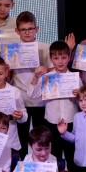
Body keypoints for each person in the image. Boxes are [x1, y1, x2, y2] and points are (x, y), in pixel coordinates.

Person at [31, 39, 81, 163]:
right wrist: (36, 76)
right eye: (56, 58)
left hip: (70, 122)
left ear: (69, 57)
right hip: (51, 123)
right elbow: (32, 94)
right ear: (51, 59)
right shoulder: (46, 78)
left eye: (63, 58)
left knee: (71, 157)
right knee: (53, 158)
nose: (60, 61)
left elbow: (83, 102)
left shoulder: (75, 78)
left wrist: (79, 95)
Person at [10, 11, 52, 156]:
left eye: (30, 29)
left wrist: (46, 70)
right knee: (21, 140)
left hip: (41, 101)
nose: (27, 32)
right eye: (23, 29)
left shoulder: (45, 48)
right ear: (17, 31)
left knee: (41, 140)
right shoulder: (12, 50)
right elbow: (8, 76)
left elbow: (54, 72)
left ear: (37, 29)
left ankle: (42, 166)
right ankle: (21, 167)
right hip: (21, 101)